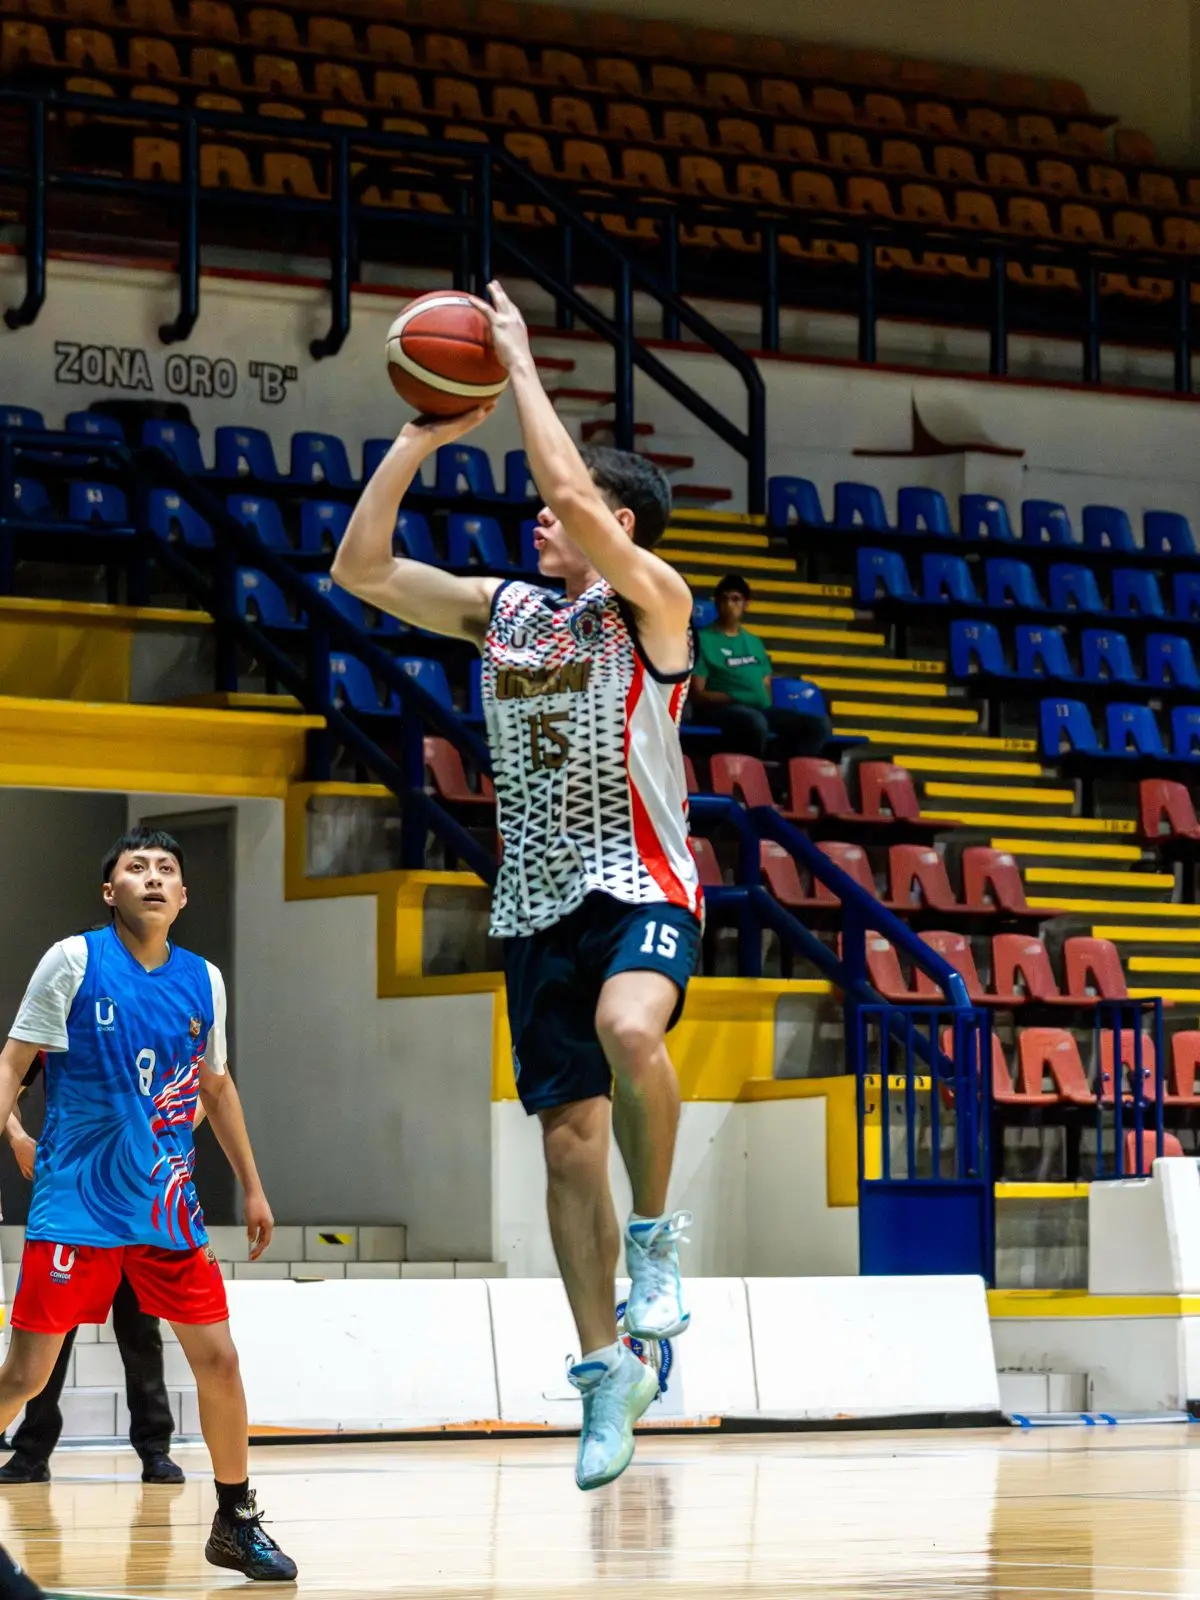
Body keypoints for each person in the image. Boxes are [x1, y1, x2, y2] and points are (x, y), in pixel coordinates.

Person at [333, 279, 702, 1493]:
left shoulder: (656, 605)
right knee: (562, 1148)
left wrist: (523, 368)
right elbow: (362, 566)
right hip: (537, 901)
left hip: (641, 878)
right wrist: (415, 436)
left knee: (626, 1024)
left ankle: (655, 1241)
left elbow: (572, 504)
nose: (537, 526)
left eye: (564, 518)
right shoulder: (507, 615)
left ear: (620, 525)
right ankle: (607, 1370)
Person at [0, 829, 296, 1582]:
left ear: (184, 896)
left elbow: (214, 1087)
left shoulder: (205, 979)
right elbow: (15, 1060)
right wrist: (9, 1131)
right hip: (79, 1206)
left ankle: (235, 1520)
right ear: (111, 892)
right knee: (27, 1376)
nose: (154, 878)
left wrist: (253, 1185)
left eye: (168, 869)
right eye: (137, 869)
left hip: (167, 1209)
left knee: (219, 1361)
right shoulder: (73, 961)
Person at [0, 1067, 182, 1486]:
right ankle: (31, 1451)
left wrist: (163, 1141)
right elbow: (9, 1074)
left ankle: (156, 1451)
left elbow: (209, 1088)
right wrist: (18, 1139)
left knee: (141, 1333)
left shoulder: (147, 1033)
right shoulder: (61, 1021)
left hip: (135, 1209)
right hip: (72, 1208)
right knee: (48, 1340)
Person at [692, 572, 831, 758]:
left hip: (757, 709)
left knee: (818, 726)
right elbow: (697, 695)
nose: (729, 605)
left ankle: (785, 775)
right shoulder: (702, 640)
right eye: (724, 599)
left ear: (746, 605)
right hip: (719, 711)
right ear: (716, 603)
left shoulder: (754, 642)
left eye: (735, 599)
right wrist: (734, 696)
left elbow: (765, 685)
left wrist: (757, 698)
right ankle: (751, 776)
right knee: (755, 722)